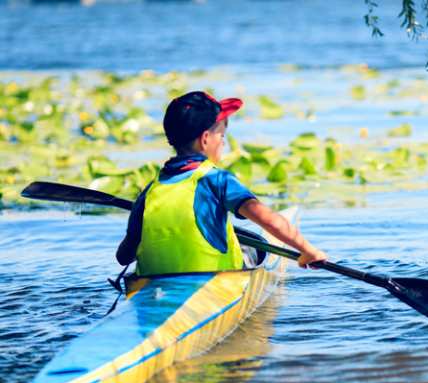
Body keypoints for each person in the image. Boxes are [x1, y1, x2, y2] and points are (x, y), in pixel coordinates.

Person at [116, 91, 327, 275]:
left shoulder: (151, 191)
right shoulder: (217, 179)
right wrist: (308, 250)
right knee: (251, 250)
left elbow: (124, 257)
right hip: (213, 283)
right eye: (222, 135)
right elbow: (270, 221)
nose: (224, 142)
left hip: (152, 287)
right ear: (205, 139)